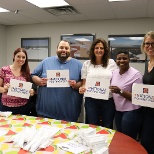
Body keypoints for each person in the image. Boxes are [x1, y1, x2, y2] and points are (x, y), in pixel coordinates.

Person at [31, 40, 83, 122]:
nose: (64, 50)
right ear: (56, 49)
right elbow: (33, 75)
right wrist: (39, 81)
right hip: (45, 112)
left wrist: (76, 85)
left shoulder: (79, 65)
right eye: (61, 47)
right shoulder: (46, 62)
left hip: (69, 113)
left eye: (66, 48)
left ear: (70, 50)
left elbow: (84, 82)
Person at [79, 38, 117, 129]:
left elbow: (116, 80)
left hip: (108, 100)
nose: (99, 50)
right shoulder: (87, 64)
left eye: (101, 48)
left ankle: (107, 143)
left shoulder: (111, 63)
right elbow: (84, 83)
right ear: (93, 50)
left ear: (105, 50)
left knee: (107, 126)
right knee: (92, 126)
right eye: (96, 48)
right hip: (91, 100)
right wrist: (82, 88)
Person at [109, 51, 143, 140]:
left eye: (124, 58)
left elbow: (138, 97)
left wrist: (120, 91)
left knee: (129, 139)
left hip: (131, 111)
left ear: (129, 59)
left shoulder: (136, 75)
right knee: (121, 137)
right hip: (118, 111)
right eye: (119, 58)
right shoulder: (114, 73)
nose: (121, 61)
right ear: (115, 60)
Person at [0, 48, 34, 115]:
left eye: (23, 57)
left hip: (23, 107)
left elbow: (29, 90)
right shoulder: (4, 70)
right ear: (14, 56)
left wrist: (31, 92)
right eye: (18, 56)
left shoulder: (27, 72)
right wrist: (4, 89)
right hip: (6, 107)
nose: (21, 59)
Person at [140, 31, 154, 154]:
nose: (150, 47)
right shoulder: (147, 63)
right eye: (147, 44)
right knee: (146, 142)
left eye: (153, 44)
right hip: (147, 109)